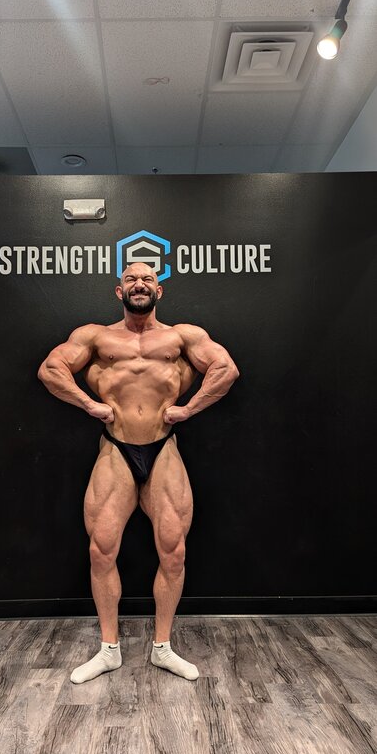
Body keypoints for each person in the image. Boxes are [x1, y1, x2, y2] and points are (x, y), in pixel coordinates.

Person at [37, 262, 240, 683]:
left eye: (148, 279)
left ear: (159, 291)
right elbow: (51, 369)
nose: (140, 284)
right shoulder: (96, 336)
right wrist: (89, 404)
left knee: (174, 550)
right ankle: (108, 650)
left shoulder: (182, 336)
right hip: (116, 447)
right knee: (101, 550)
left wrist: (189, 409)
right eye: (131, 279)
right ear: (119, 291)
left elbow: (226, 369)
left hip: (163, 447)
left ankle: (162, 648)